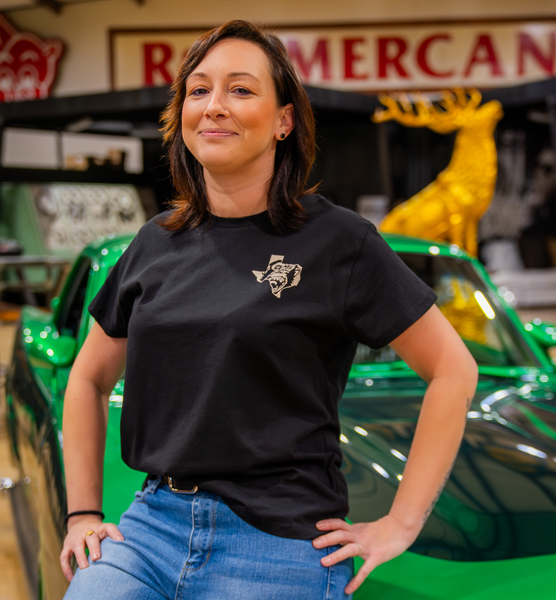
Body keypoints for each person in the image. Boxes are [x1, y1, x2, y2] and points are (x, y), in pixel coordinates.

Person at [59, 20, 478, 600]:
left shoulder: (338, 241)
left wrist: (401, 523)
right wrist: (82, 514)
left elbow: (454, 370)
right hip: (151, 528)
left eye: (241, 89)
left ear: (284, 121)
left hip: (277, 544)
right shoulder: (154, 243)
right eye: (198, 90)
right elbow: (87, 378)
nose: (214, 107)